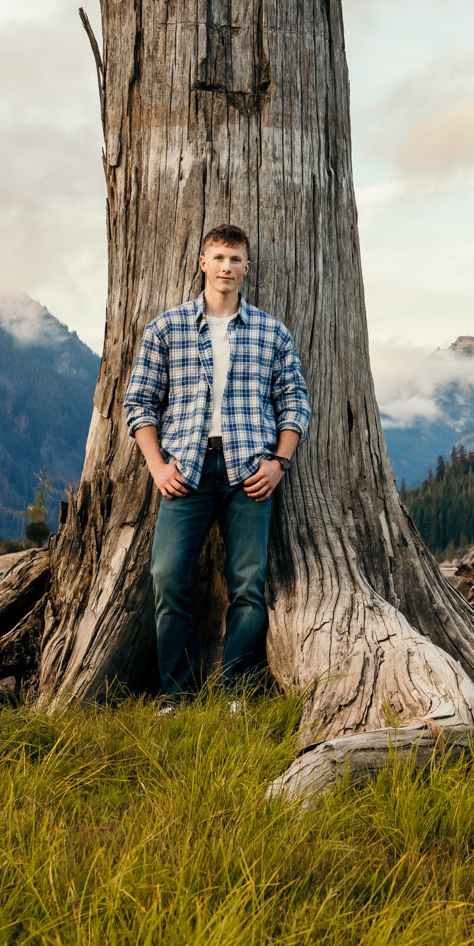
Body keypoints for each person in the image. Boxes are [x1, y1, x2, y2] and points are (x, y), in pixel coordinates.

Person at [123, 223, 310, 705]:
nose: (227, 267)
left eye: (235, 259)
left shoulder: (272, 332)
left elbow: (295, 402)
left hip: (250, 471)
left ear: (247, 268)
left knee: (249, 584)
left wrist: (279, 464)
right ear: (203, 263)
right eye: (219, 258)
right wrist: (157, 466)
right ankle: (177, 696)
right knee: (168, 576)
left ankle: (233, 694)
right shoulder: (166, 328)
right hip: (186, 469)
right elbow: (139, 402)